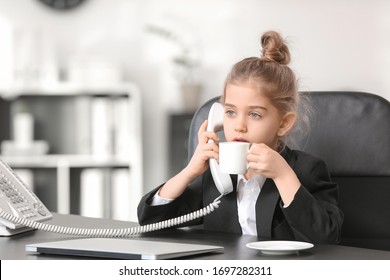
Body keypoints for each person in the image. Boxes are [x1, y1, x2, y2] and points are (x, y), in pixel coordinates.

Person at [138, 30, 343, 244]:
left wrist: (283, 176)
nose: (239, 126)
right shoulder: (217, 177)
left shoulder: (307, 171)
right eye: (230, 112)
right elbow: (150, 221)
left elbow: (326, 240)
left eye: (254, 114)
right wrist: (190, 171)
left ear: (283, 124)